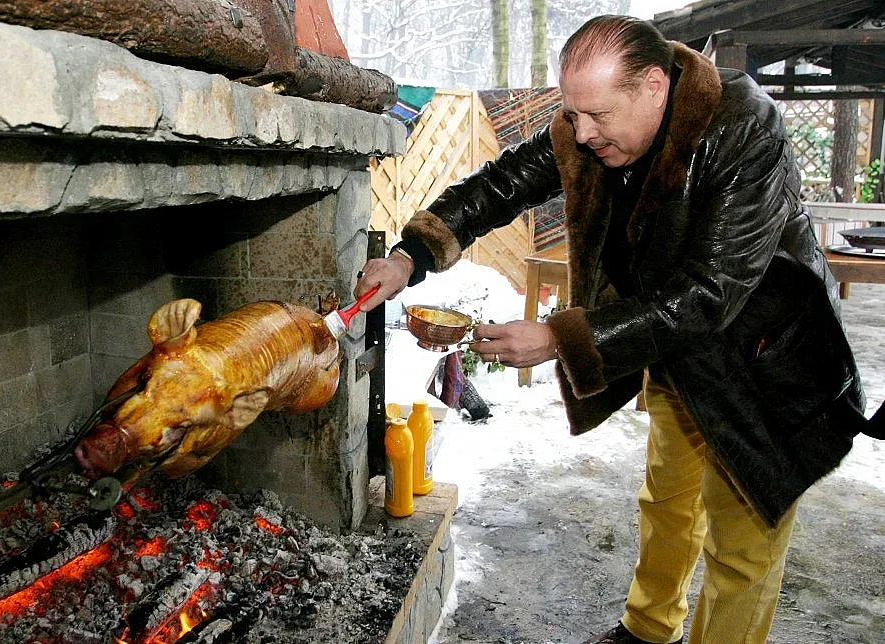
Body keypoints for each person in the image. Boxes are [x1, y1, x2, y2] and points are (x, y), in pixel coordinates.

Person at [355, 15, 883, 644]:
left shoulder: (743, 126)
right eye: (574, 115)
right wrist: (410, 254)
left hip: (760, 358)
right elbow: (504, 183)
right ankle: (649, 628)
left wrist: (560, 336)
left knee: (742, 543)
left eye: (597, 116)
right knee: (666, 500)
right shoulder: (591, 127)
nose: (581, 134)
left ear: (655, 87)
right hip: (666, 341)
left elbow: (710, 292)